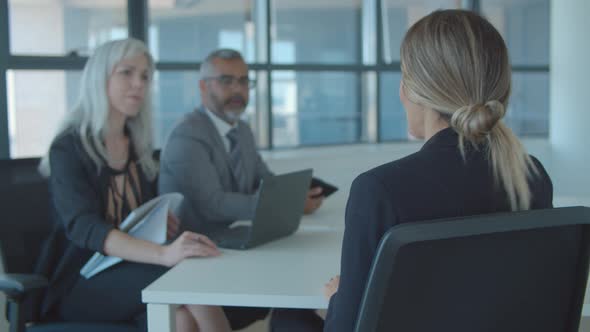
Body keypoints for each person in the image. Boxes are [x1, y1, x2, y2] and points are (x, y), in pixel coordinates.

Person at [323, 9, 553, 331]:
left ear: (415, 91)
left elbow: (347, 327)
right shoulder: (532, 176)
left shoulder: (380, 189)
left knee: (289, 318)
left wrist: (339, 298)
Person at [37, 38, 230, 332]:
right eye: (126, 72)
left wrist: (156, 222)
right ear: (99, 77)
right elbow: (84, 227)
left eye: (144, 76)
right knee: (186, 284)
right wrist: (164, 254)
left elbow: (137, 216)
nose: (138, 84)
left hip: (131, 269)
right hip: (80, 283)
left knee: (180, 319)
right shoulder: (68, 148)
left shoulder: (138, 145)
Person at [158, 49, 325, 331]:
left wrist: (292, 196)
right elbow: (213, 204)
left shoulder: (242, 130)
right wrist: (289, 205)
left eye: (244, 81)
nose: (238, 89)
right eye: (226, 80)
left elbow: (264, 181)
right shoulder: (187, 134)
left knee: (303, 276)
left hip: (235, 244)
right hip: (199, 252)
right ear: (203, 86)